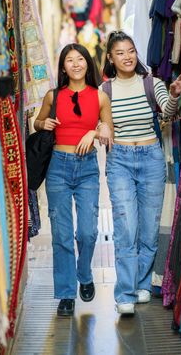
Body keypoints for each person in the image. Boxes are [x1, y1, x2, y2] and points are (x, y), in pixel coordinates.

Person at [102, 31, 181, 315]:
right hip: (120, 161)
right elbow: (97, 124)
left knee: (150, 228)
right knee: (126, 226)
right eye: (120, 53)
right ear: (110, 58)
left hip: (151, 157)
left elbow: (167, 112)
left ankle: (141, 283)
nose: (127, 57)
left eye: (131, 51)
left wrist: (174, 94)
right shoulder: (104, 91)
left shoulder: (153, 83)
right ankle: (124, 293)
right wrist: (99, 129)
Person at [35, 43, 113, 317]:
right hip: (57, 167)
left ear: (88, 64)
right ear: (63, 66)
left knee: (88, 232)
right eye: (70, 60)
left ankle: (84, 273)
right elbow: (38, 123)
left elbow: (108, 131)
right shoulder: (52, 95)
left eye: (80, 59)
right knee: (62, 234)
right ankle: (67, 294)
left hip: (87, 168)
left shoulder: (100, 96)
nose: (76, 64)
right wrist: (42, 124)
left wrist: (95, 132)